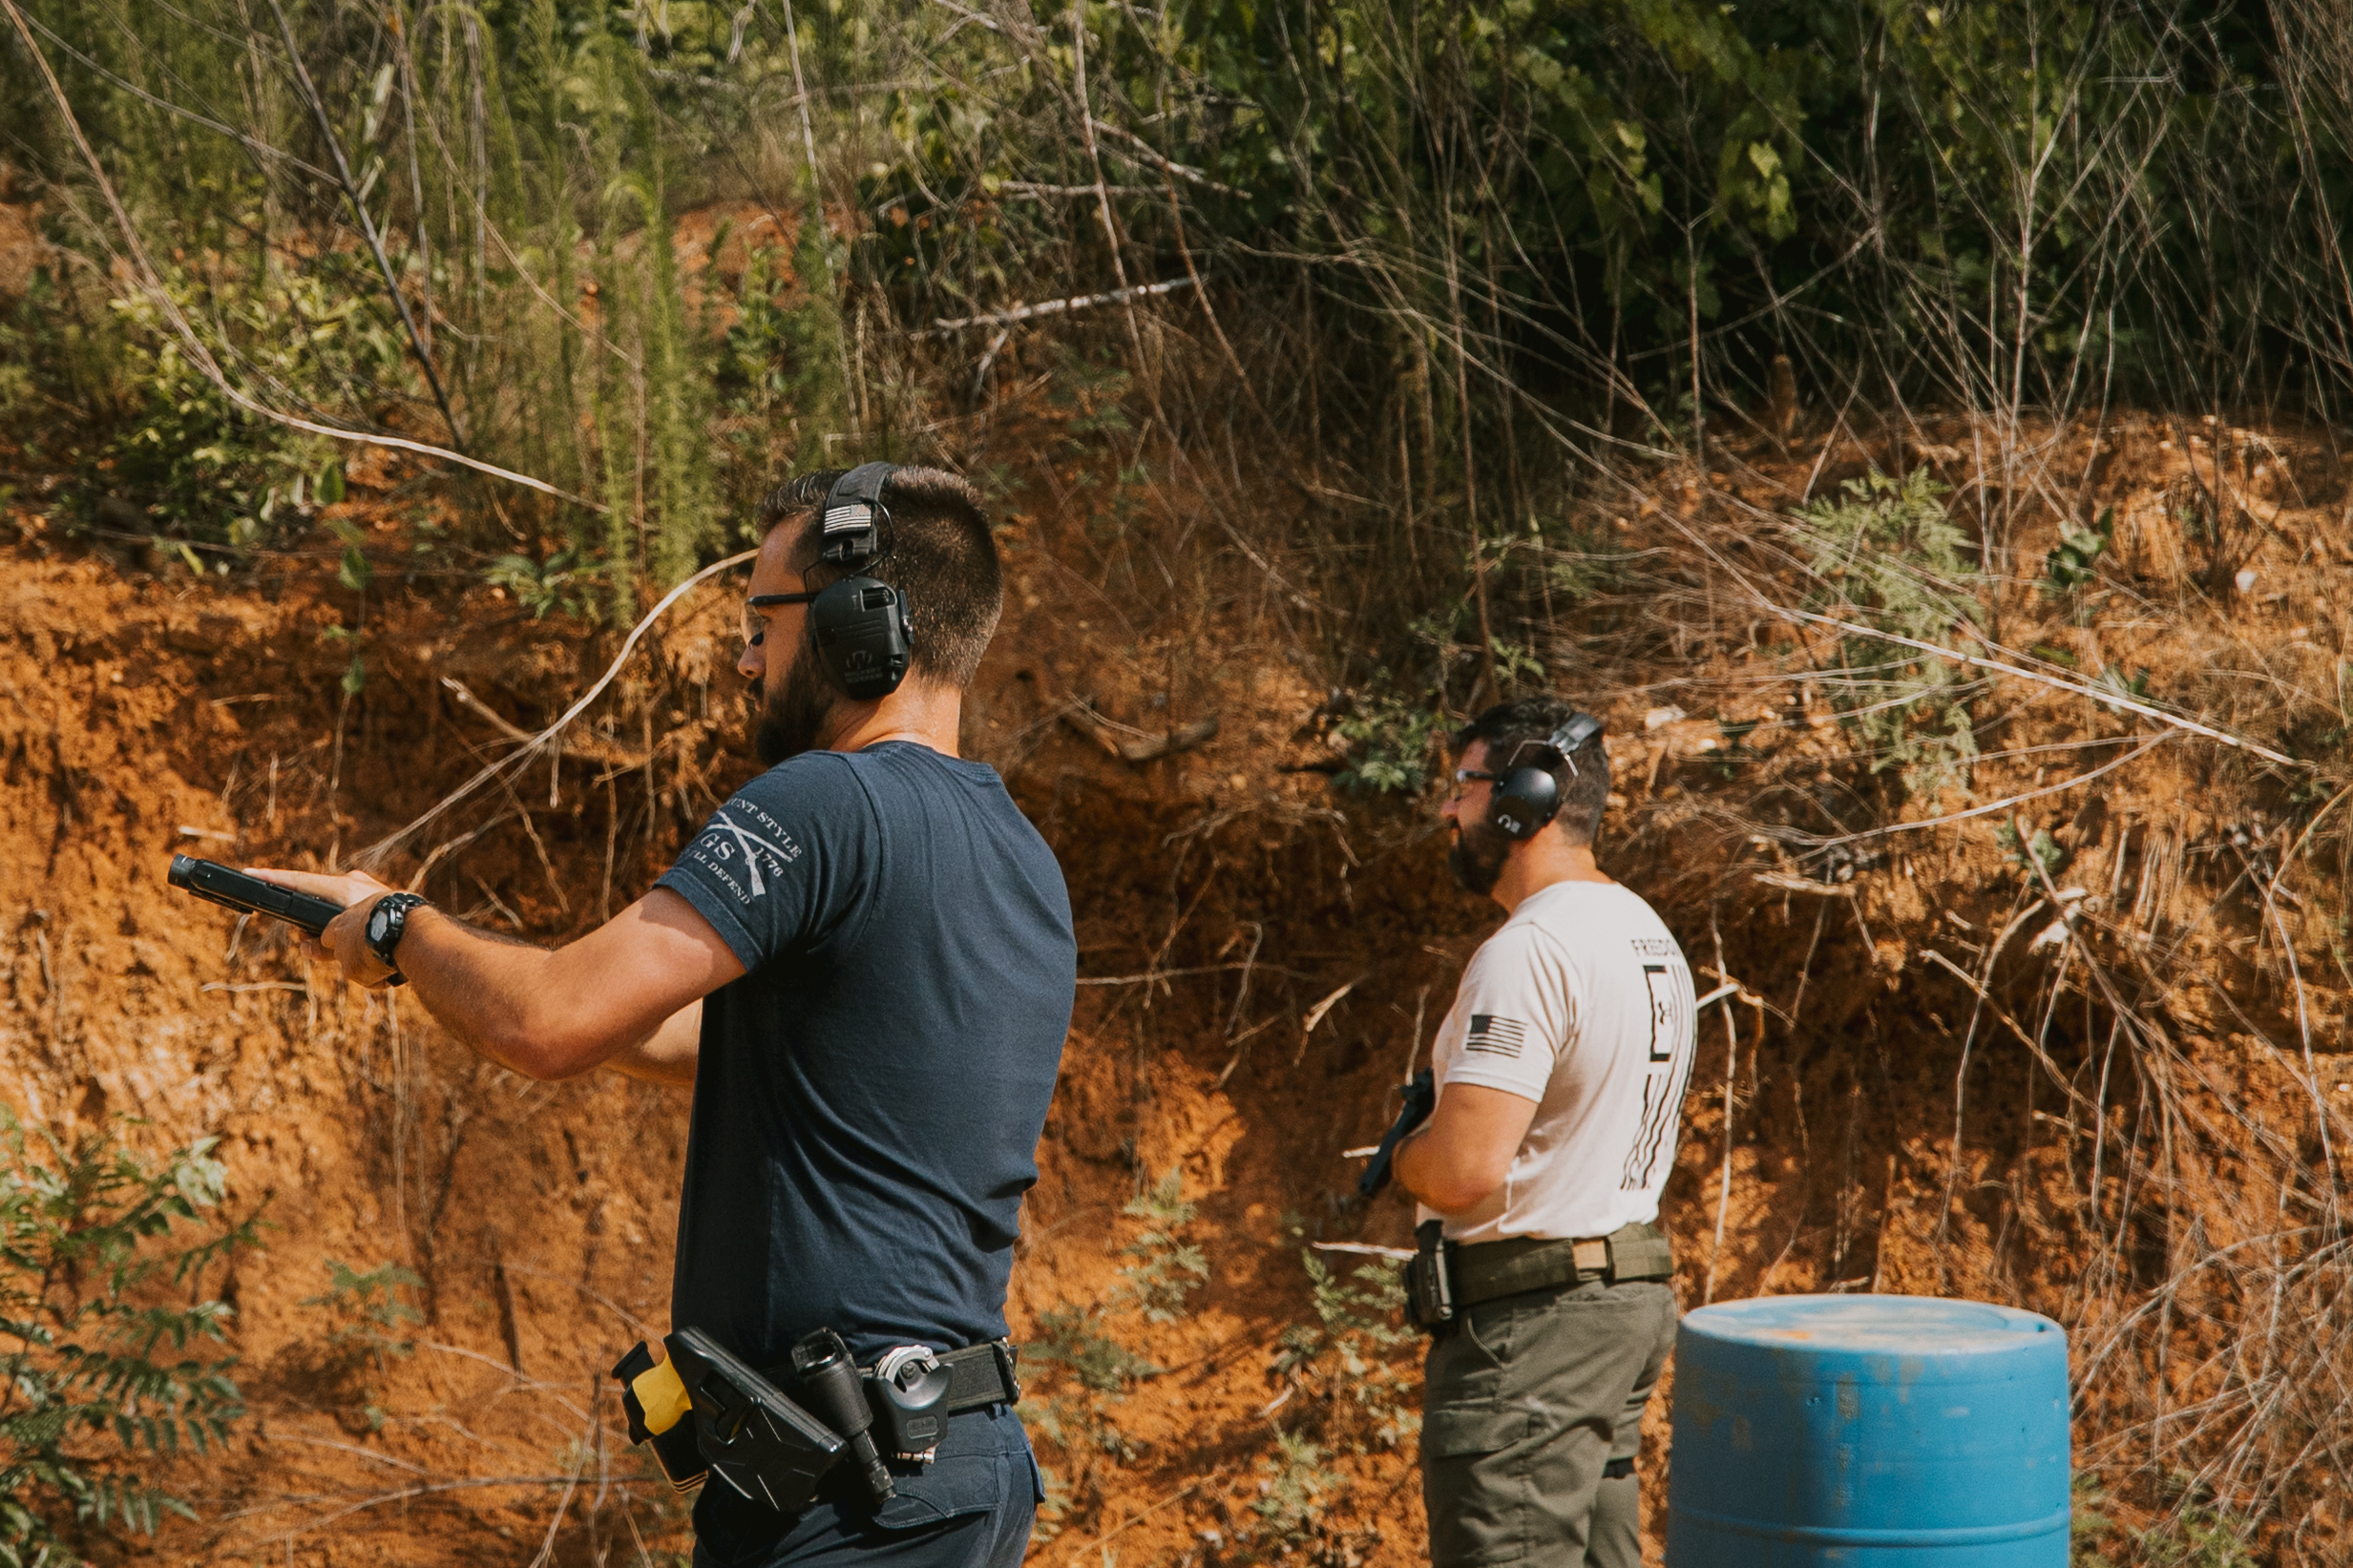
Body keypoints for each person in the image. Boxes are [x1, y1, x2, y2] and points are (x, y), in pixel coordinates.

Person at [254, 465, 1074, 1568]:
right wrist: (444, 965)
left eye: (760, 620)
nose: (745, 657)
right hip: (944, 1469)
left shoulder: (825, 801)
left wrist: (397, 925)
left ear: (855, 620)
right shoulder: (1021, 856)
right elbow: (710, 1040)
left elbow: (548, 1024)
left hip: (854, 1496)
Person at [1389, 697, 1697, 1568]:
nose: (1450, 809)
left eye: (1465, 784)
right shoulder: (1645, 932)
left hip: (1532, 1330)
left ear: (1524, 797)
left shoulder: (1531, 947)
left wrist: (1406, 1154)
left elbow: (1461, 1171)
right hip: (1614, 1307)